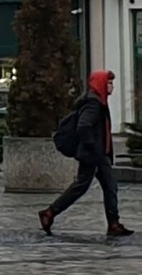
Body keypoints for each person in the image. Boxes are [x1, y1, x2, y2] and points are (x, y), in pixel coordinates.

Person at [39, 70, 130, 238]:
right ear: (101, 83)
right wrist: (94, 147)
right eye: (109, 83)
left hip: (98, 154)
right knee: (81, 187)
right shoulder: (94, 103)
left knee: (109, 186)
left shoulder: (98, 101)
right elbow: (84, 126)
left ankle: (114, 224)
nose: (112, 87)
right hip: (93, 154)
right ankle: (50, 212)